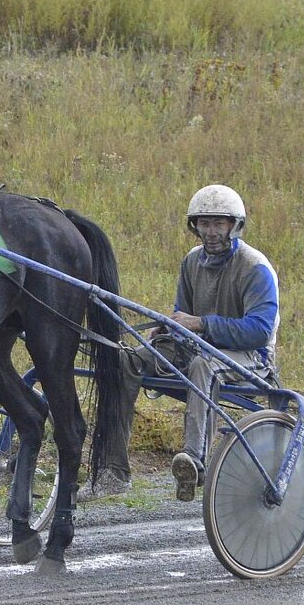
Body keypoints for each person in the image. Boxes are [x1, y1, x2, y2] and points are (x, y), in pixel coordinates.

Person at [79, 184, 279, 502]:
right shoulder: (191, 262)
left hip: (250, 357)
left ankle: (194, 462)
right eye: (204, 223)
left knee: (204, 366)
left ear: (234, 225)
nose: (211, 232)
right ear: (194, 226)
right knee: (124, 359)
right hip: (198, 347)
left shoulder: (255, 268)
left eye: (218, 223)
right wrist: (167, 328)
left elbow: (259, 331)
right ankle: (112, 472)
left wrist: (200, 324)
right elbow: (183, 315)